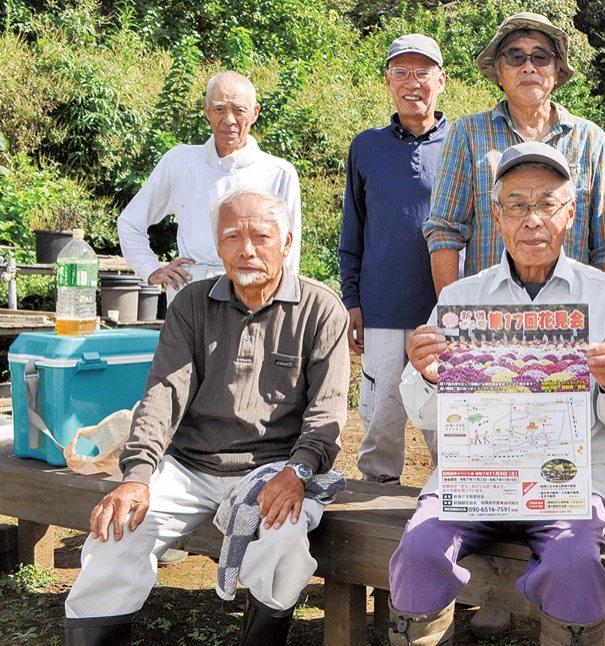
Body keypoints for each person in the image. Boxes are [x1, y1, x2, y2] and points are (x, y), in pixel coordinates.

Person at [386, 142, 605, 646]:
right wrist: (427, 374)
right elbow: (422, 412)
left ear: (570, 213)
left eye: (546, 203)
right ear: (496, 216)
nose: (532, 218)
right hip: (474, 479)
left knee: (574, 561)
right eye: (517, 204)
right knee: (420, 550)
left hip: (571, 483)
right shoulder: (460, 300)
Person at [64, 188, 350, 646]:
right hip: (189, 466)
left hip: (275, 470)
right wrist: (136, 476)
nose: (247, 249)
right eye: (232, 237)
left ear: (286, 242)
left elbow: (327, 412)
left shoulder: (320, 308)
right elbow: (162, 396)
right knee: (114, 535)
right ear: (218, 246)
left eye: (261, 236)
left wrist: (298, 471)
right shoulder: (192, 304)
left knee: (284, 542)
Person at [422, 12, 605, 294]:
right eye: (516, 57)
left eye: (540, 57)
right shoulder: (466, 134)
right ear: (499, 74)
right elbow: (444, 231)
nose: (529, 67)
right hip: (490, 310)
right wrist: (454, 312)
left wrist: (600, 310)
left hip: (571, 310)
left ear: (557, 71)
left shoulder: (591, 139)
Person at [339, 33, 448, 483]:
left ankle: (455, 498)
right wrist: (351, 300)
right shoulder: (366, 146)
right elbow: (353, 232)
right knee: (381, 424)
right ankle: (376, 499)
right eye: (400, 72)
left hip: (443, 311)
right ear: (387, 81)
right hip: (381, 309)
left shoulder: (462, 143)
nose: (411, 82)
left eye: (422, 72)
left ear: (441, 80)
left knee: (448, 422)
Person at [117, 71, 302, 297]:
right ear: (206, 110)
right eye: (219, 109)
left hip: (254, 291)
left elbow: (288, 251)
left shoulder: (279, 173)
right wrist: (151, 269)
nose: (229, 120)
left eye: (239, 110)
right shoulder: (179, 161)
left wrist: (282, 302)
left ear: (255, 112)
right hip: (190, 289)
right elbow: (130, 223)